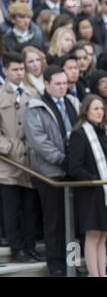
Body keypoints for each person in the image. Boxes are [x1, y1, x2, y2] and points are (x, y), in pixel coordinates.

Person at [23, 65, 80, 276]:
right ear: (46, 84)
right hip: (51, 174)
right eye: (57, 84)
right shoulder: (35, 108)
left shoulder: (73, 102)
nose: (62, 87)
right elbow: (39, 142)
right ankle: (56, 264)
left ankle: (72, 264)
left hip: (74, 173)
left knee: (73, 224)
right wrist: (62, 159)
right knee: (55, 222)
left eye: (65, 83)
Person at [68, 94, 107, 277]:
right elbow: (75, 167)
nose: (100, 112)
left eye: (102, 108)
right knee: (93, 236)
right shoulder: (79, 134)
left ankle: (102, 274)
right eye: (95, 108)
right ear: (86, 111)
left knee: (103, 236)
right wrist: (95, 180)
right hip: (92, 192)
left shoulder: (106, 132)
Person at [0, 52, 42, 263]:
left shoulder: (32, 94)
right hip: (7, 162)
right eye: (14, 69)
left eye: (21, 69)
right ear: (5, 70)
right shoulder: (0, 95)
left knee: (29, 208)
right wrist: (7, 147)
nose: (19, 73)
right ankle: (17, 248)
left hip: (30, 161)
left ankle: (30, 246)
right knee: (12, 207)